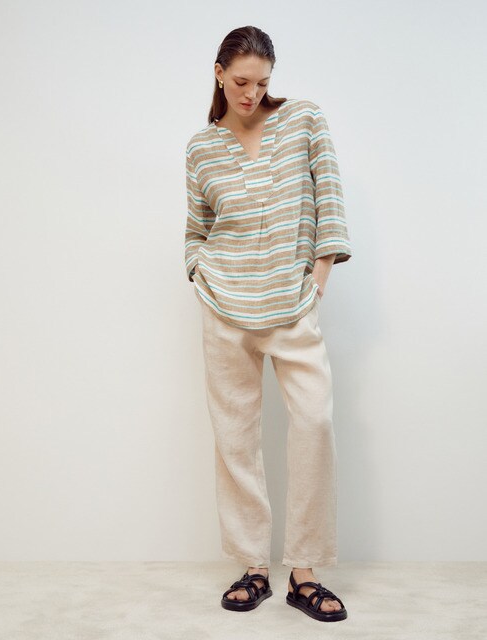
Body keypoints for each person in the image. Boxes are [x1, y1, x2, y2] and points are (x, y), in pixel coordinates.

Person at [184, 25, 351, 623]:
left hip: (291, 302)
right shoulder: (201, 147)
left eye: (262, 82)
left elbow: (329, 199)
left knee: (314, 421)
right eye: (241, 81)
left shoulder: (304, 120)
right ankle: (253, 567)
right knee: (235, 438)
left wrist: (320, 274)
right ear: (219, 73)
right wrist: (198, 269)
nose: (251, 93)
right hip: (224, 305)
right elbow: (196, 226)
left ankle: (304, 572)